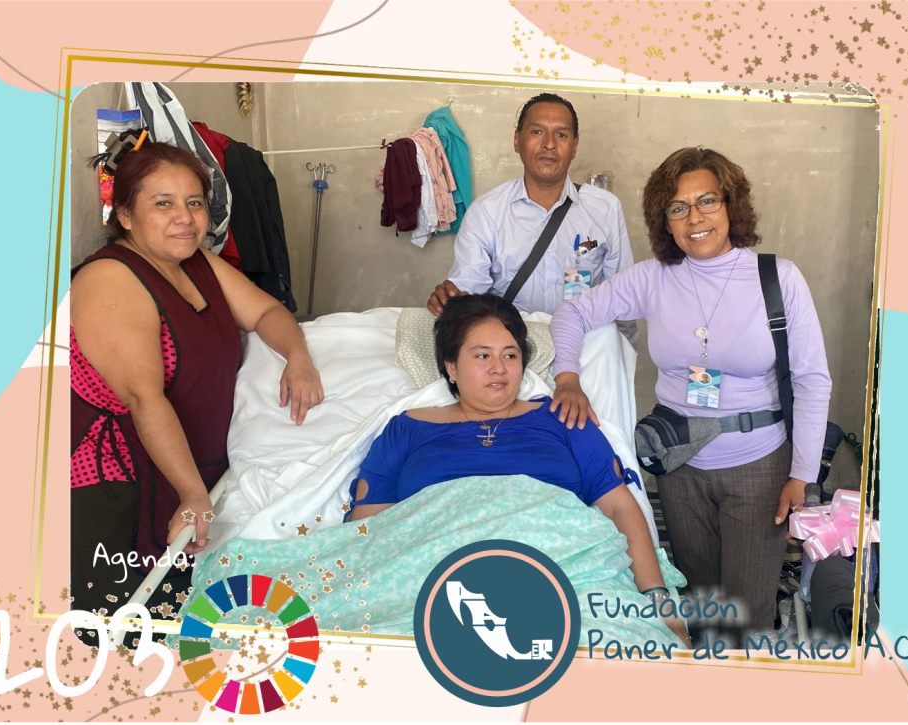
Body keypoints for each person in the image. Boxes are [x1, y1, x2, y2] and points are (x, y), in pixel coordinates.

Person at [550, 147, 832, 637]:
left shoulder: (777, 278)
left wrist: (802, 475)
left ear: (731, 205)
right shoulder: (653, 278)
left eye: (707, 201)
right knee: (700, 607)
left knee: (746, 619)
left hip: (757, 466)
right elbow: (572, 313)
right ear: (665, 220)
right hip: (679, 464)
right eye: (677, 207)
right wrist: (567, 378)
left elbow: (811, 379)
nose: (694, 218)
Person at [70, 141, 323, 642]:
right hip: (119, 477)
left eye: (194, 202)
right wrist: (191, 493)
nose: (184, 218)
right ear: (125, 215)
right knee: (110, 627)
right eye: (163, 203)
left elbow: (267, 311)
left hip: (193, 464)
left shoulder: (197, 263)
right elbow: (145, 399)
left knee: (181, 615)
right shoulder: (110, 279)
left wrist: (298, 357)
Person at [349, 293, 688, 646]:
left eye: (510, 355)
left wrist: (657, 598)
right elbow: (368, 530)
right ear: (451, 367)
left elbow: (618, 506)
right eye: (483, 355)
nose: (499, 368)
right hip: (432, 576)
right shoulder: (405, 429)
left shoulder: (564, 418)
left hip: (565, 574)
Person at [426, 93, 637, 345]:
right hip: (511, 352)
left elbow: (622, 297)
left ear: (575, 146)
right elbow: (468, 287)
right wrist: (451, 297)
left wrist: (624, 356)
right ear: (517, 140)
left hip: (584, 349)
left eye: (561, 134)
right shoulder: (486, 212)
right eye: (537, 132)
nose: (549, 144)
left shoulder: (604, 208)